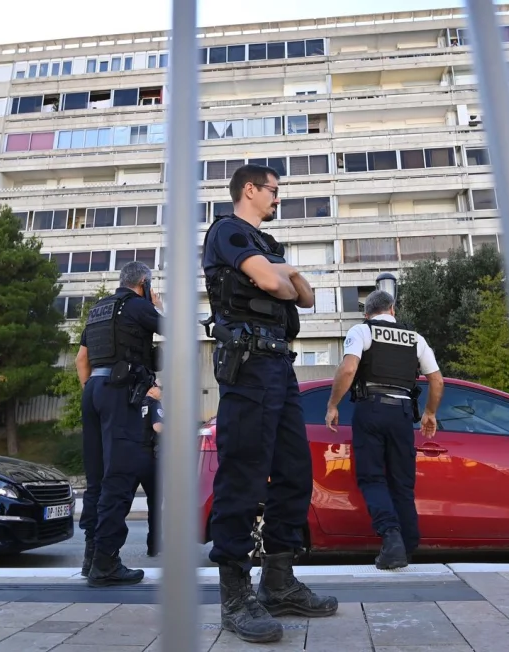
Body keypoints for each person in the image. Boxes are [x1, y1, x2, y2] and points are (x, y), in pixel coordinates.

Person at [202, 164, 338, 644]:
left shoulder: (269, 244)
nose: (278, 198)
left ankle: (278, 582)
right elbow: (273, 285)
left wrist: (290, 272)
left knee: (295, 472)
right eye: (273, 190)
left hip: (279, 364)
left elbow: (306, 297)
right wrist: (283, 276)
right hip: (247, 366)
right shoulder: (228, 232)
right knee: (243, 475)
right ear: (249, 189)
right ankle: (235, 597)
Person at [325, 289, 444, 569]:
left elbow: (348, 369)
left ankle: (391, 538)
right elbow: (437, 381)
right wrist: (429, 413)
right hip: (402, 413)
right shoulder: (415, 338)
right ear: (392, 310)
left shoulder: (362, 330)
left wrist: (332, 405)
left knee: (372, 479)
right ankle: (407, 546)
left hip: (371, 409)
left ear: (367, 314)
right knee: (402, 482)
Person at [75, 261, 162, 587]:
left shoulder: (99, 309)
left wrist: (94, 392)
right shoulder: (138, 306)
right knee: (120, 476)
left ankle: (91, 557)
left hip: (93, 391)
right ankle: (106, 562)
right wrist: (158, 307)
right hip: (119, 392)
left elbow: (81, 360)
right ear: (144, 283)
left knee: (96, 479)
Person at [140, 382, 163, 557]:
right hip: (149, 458)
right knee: (155, 503)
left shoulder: (134, 403)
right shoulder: (155, 404)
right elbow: (158, 427)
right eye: (160, 388)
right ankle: (153, 546)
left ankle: (107, 549)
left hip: (130, 456)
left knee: (122, 502)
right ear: (152, 388)